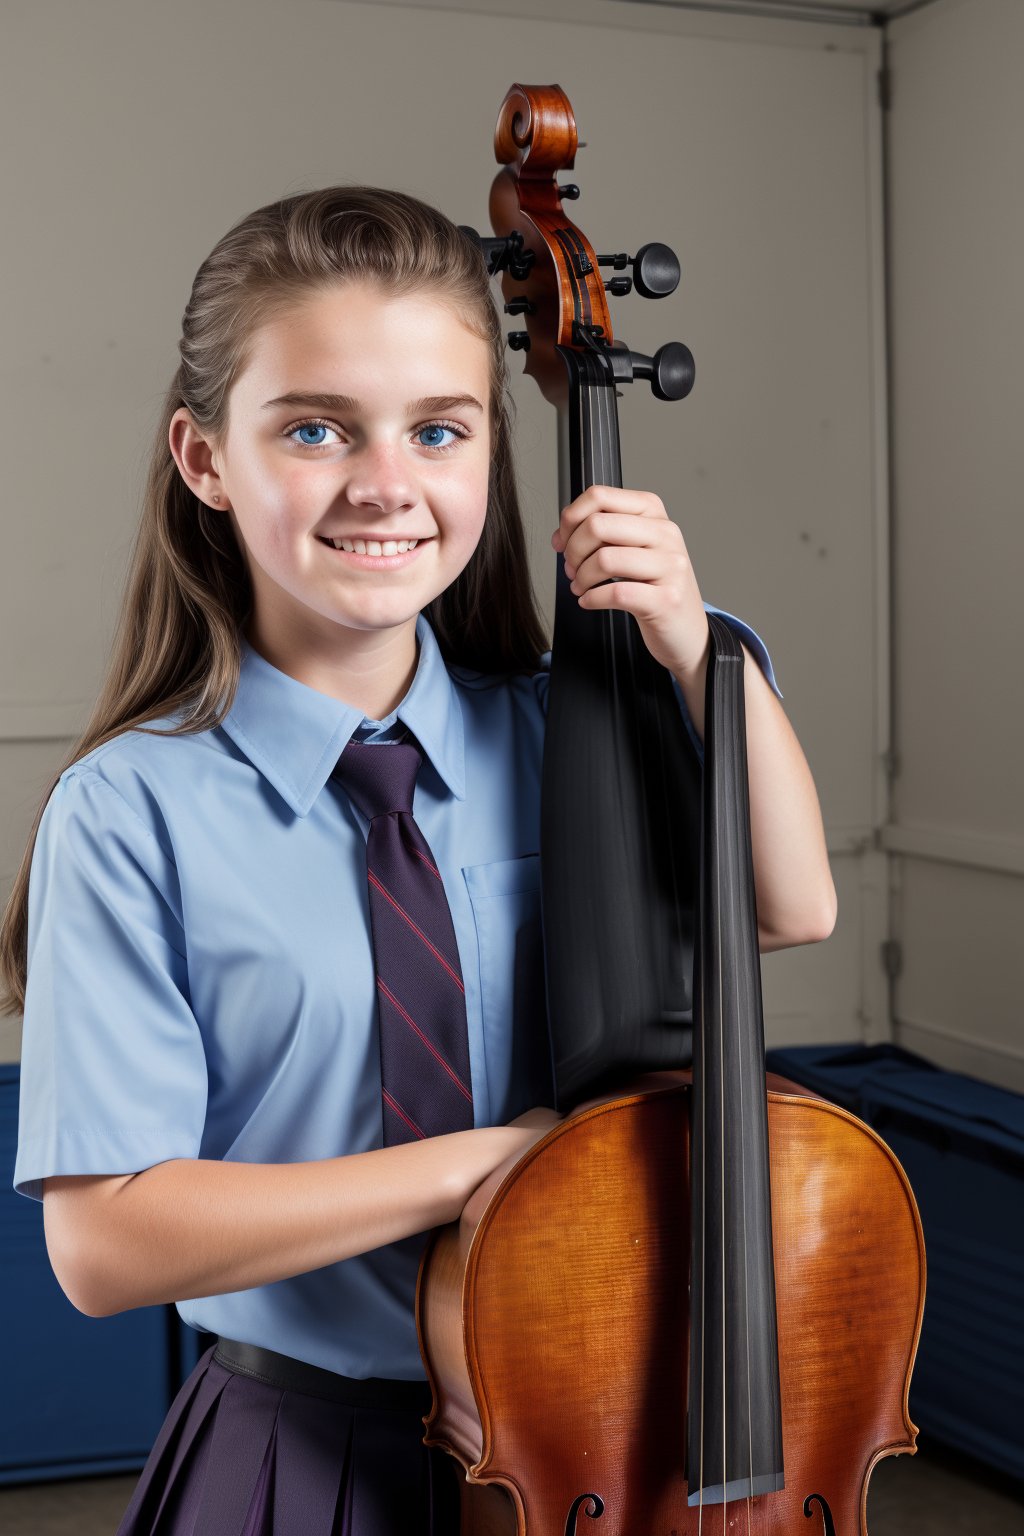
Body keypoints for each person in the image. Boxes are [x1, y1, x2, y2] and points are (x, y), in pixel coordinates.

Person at [1, 186, 836, 1535]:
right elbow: (104, 1249)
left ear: (488, 457)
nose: (385, 482)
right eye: (316, 427)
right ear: (205, 459)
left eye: (438, 430)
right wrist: (488, 1165)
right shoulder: (129, 809)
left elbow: (792, 904)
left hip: (609, 1435)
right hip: (297, 1459)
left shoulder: (575, 727)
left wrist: (696, 651)